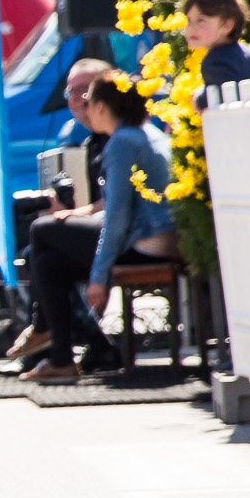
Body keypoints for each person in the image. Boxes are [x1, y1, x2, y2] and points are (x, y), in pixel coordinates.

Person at [22, 71, 177, 381]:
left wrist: (98, 277)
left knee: (42, 230)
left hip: (146, 244)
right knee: (49, 263)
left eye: (88, 101)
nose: (85, 108)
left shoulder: (122, 143)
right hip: (155, 238)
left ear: (103, 106)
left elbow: (118, 217)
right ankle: (61, 358)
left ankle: (43, 329)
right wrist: (80, 216)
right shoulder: (144, 133)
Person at [6, 58, 115, 364]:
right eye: (71, 91)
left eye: (86, 89)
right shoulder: (92, 141)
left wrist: (74, 215)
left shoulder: (118, 138)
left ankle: (46, 334)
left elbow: (120, 203)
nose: (78, 98)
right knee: (43, 257)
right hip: (109, 230)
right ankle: (71, 352)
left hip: (130, 236)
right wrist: (68, 208)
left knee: (44, 233)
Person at [182, 0, 250, 90]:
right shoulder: (248, 54)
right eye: (189, 20)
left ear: (227, 25)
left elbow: (222, 94)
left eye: (201, 20)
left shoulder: (215, 61)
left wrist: (200, 98)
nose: (191, 27)